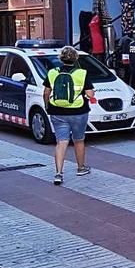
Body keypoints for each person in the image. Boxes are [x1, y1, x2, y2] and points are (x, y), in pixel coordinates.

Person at [43, 46, 95, 185]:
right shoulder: (82, 73)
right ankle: (81, 167)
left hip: (57, 111)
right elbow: (90, 94)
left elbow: (46, 92)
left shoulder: (52, 72)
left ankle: (58, 173)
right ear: (76, 58)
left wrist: (47, 106)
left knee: (61, 142)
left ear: (60, 59)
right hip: (78, 111)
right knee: (79, 140)